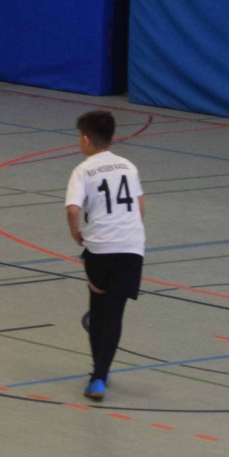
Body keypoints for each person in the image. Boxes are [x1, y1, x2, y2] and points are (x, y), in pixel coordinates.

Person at [63, 110, 146, 403]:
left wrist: (76, 233)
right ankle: (100, 374)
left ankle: (99, 375)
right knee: (115, 312)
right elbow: (140, 207)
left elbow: (73, 209)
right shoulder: (128, 166)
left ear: (86, 140)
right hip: (131, 247)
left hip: (100, 247)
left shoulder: (83, 170)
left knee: (98, 308)